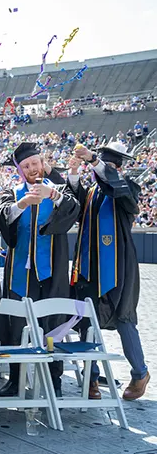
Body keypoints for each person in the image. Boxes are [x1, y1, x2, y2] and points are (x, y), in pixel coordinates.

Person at [0, 142, 80, 398]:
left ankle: (54, 379)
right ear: (20, 170)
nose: (32, 169)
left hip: (51, 270)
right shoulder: (12, 192)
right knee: (16, 323)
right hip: (20, 270)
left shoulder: (59, 191)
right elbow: (2, 217)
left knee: (52, 323)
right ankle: (15, 377)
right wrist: (22, 203)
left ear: (42, 162)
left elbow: (74, 209)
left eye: (35, 163)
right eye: (26, 166)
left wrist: (51, 195)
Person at [69, 142, 149, 400]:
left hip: (119, 266)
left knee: (124, 318)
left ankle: (140, 373)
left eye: (109, 167)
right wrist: (71, 176)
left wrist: (94, 160)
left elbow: (115, 187)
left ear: (117, 168)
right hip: (89, 266)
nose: (103, 171)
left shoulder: (127, 187)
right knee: (87, 320)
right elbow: (74, 209)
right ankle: (90, 379)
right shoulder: (92, 192)